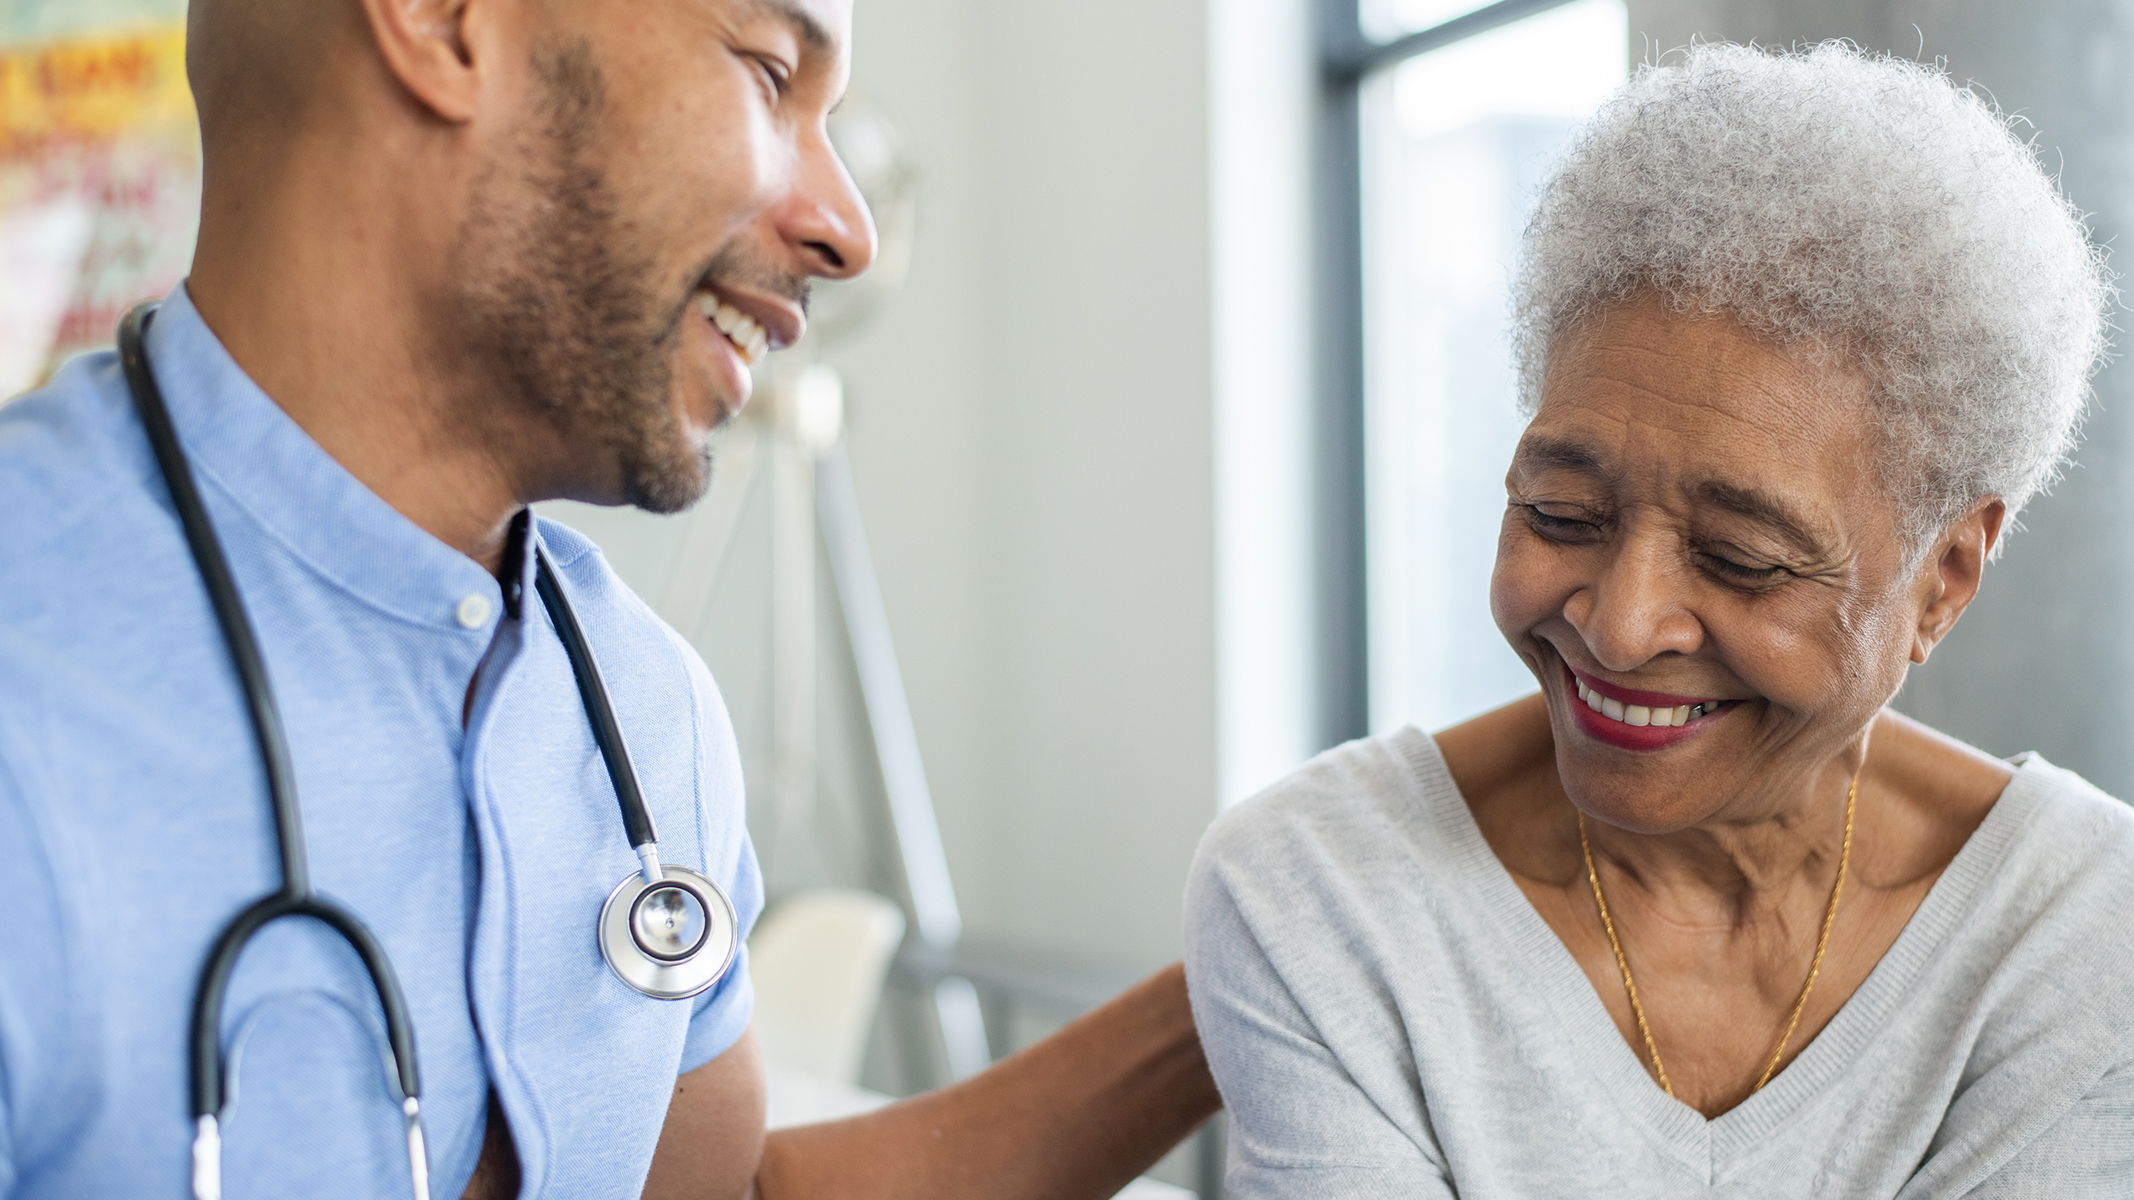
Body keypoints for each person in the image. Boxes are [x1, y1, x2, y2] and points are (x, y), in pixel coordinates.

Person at [0, 0, 1218, 1196]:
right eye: (766, 71)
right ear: (438, 20)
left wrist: (1277, 936)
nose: (848, 229)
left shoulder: (639, 708)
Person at [1184, 42, 2133, 1198]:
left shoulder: (2083, 931)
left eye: (1741, 559)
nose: (1621, 626)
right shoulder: (1324, 887)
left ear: (1941, 579)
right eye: (1560, 511)